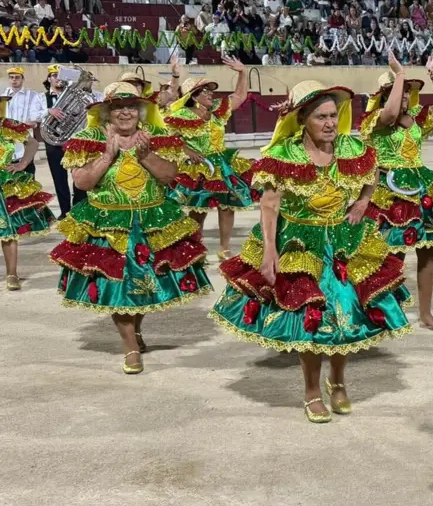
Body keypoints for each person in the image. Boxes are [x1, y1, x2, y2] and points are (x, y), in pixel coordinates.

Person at [211, 81, 411, 422]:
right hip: (299, 245)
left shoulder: (350, 147)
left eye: (334, 115)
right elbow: (270, 206)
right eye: (321, 117)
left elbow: (373, 173)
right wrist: (270, 251)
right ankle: (311, 391)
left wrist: (363, 200)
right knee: (309, 320)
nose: (330, 123)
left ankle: (338, 381)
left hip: (343, 242)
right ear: (303, 118)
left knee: (346, 313)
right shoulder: (282, 154)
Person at [49, 82, 211, 373]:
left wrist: (145, 155)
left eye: (131, 107)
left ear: (140, 111)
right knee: (117, 288)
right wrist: (107, 156)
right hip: (107, 224)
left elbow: (169, 176)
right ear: (106, 112)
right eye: (118, 107)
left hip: (151, 221)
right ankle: (130, 348)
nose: (125, 112)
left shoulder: (158, 136)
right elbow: (82, 183)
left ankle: (135, 330)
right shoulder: (88, 138)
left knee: (145, 285)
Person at [361, 50, 433, 329]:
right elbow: (391, 112)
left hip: (419, 188)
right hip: (389, 192)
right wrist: (399, 75)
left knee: (427, 248)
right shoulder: (375, 120)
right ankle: (389, 311)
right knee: (393, 252)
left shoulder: (417, 120)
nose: (404, 97)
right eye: (399, 92)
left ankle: (426, 313)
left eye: (407, 93)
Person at [164, 56, 255, 260]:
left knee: (227, 205)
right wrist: (188, 151)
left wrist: (242, 72)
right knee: (198, 207)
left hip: (221, 163)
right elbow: (170, 139)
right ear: (194, 96)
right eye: (206, 91)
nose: (211, 94)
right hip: (199, 166)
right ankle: (197, 246)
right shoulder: (183, 116)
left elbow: (240, 95)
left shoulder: (216, 112)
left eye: (210, 90)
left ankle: (224, 248)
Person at [0, 91, 56, 289]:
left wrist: (23, 163)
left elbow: (32, 143)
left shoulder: (9, 126)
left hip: (4, 183)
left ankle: (11, 275)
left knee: (7, 229)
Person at [43, 65, 102, 217]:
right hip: (54, 142)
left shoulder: (79, 96)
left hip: (77, 140)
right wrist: (48, 111)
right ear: (49, 78)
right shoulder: (41, 97)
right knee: (59, 178)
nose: (57, 78)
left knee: (79, 175)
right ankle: (64, 211)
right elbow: (35, 113)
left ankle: (78, 208)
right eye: (54, 75)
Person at [3, 66, 47, 176]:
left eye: (17, 77)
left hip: (26, 138)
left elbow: (42, 113)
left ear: (23, 79)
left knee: (27, 170)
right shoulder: (2, 95)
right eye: (11, 77)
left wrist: (34, 120)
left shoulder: (33, 95)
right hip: (6, 138)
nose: (14, 80)